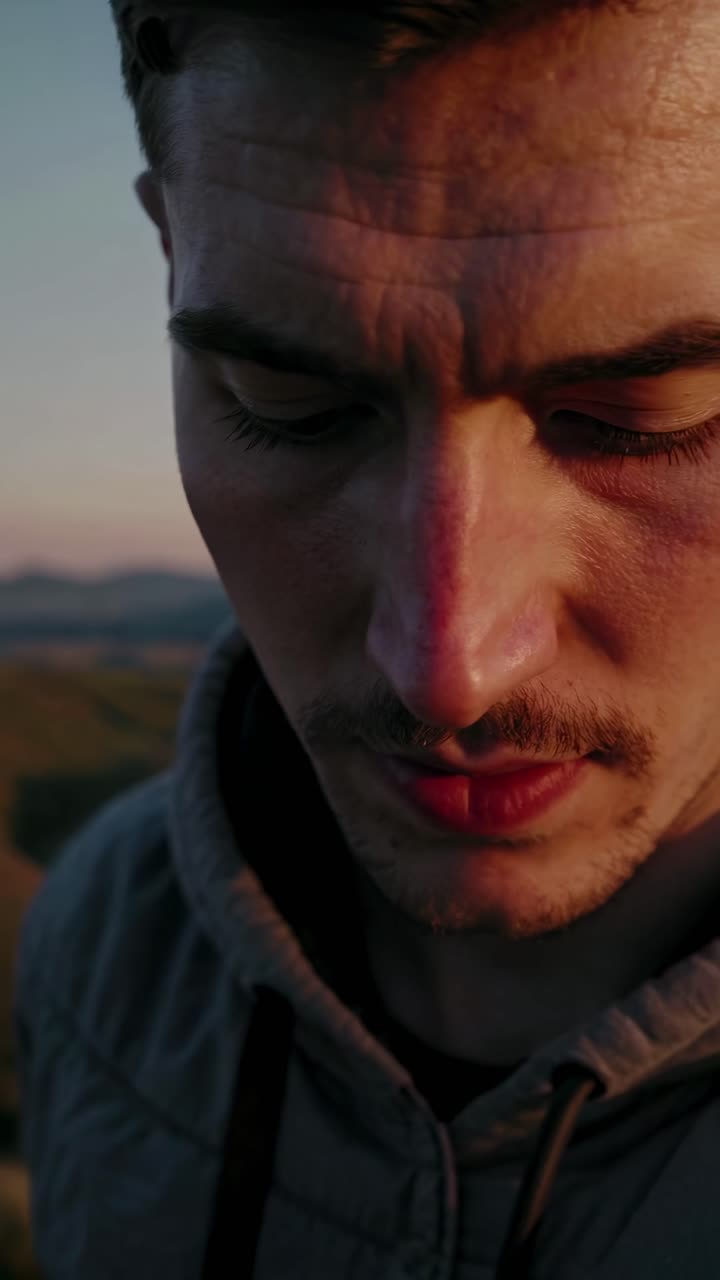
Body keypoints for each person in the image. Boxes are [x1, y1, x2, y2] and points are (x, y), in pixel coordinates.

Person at [14, 0, 720, 1275]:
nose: (444, 662)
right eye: (291, 407)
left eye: (639, 417)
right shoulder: (102, 945)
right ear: (168, 252)